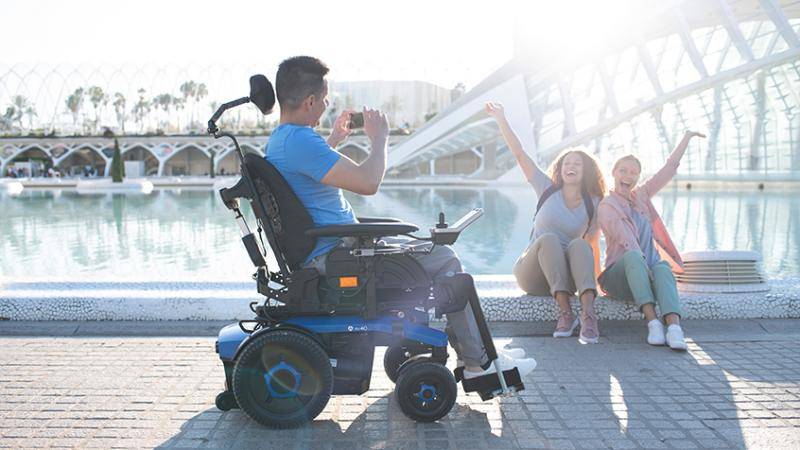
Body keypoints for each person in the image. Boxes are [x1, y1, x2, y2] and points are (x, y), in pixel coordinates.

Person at [264, 56, 535, 379]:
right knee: (444, 258)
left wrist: (334, 141)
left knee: (429, 250)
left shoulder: (282, 140)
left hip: (333, 248)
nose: (326, 105)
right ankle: (478, 362)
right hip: (338, 256)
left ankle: (476, 351)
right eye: (323, 99)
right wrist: (380, 138)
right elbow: (368, 183)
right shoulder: (301, 140)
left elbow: (305, 176)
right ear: (309, 101)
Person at [486, 102, 604, 344]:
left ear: (586, 170)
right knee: (548, 240)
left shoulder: (595, 202)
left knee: (579, 246)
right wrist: (500, 118)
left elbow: (591, 245)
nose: (570, 167)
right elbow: (519, 153)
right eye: (566, 163)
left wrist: (597, 283)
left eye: (577, 163)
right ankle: (565, 313)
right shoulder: (546, 189)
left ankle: (589, 316)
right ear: (560, 170)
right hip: (533, 274)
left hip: (567, 276)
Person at [597, 130, 706, 350]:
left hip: (646, 274)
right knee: (635, 256)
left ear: (638, 177)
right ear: (614, 173)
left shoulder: (642, 196)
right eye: (623, 170)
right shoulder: (607, 205)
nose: (628, 175)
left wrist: (685, 138)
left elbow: (668, 169)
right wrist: (648, 273)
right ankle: (653, 323)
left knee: (663, 268)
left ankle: (674, 329)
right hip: (618, 278)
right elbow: (627, 241)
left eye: (634, 172)